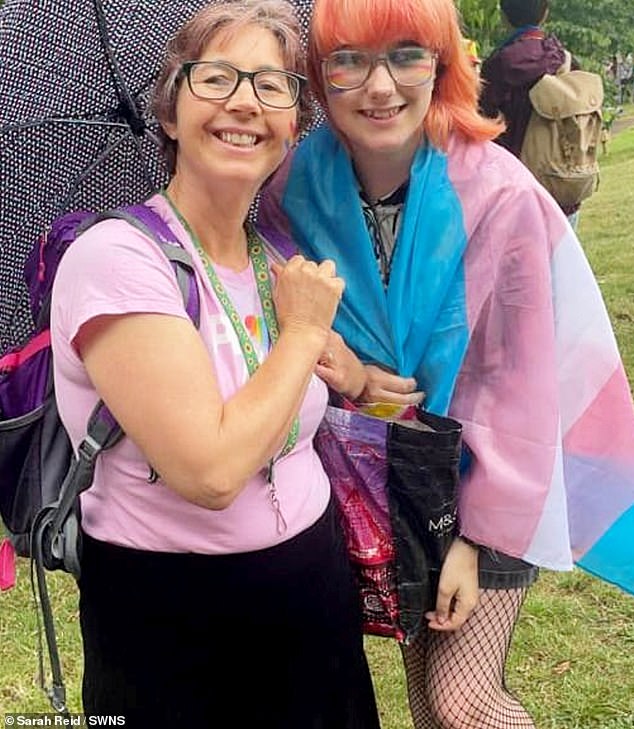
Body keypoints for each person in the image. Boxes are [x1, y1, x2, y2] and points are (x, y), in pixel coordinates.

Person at [256, 0, 634, 727]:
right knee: (430, 705)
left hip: (496, 473)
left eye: (405, 55)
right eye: (350, 60)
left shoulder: (498, 195)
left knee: (465, 703)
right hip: (396, 473)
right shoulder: (290, 189)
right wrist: (353, 372)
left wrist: (476, 536)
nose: (380, 86)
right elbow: (281, 309)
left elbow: (520, 390)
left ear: (441, 63)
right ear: (319, 75)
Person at [49, 2, 380, 727]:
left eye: (272, 85)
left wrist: (352, 375)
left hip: (312, 595)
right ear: (169, 114)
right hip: (174, 623)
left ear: (293, 123)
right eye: (218, 77)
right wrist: (300, 337)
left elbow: (321, 392)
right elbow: (210, 471)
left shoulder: (275, 259)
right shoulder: (115, 260)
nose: (245, 102)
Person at [479, 0, 582, 229]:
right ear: (545, 13)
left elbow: (481, 127)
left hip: (515, 194)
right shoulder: (564, 59)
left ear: (503, 15)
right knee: (564, 261)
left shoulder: (496, 67)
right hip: (562, 187)